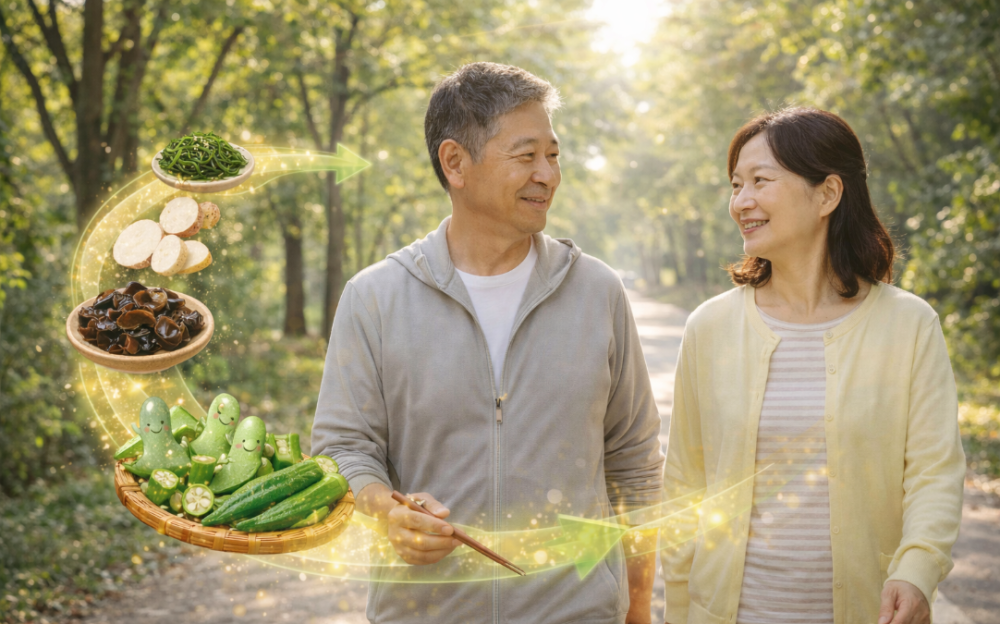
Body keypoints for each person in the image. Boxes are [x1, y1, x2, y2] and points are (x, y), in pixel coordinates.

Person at [312, 62, 664, 624]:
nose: (547, 174)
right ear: (455, 163)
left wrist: (639, 607)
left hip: (578, 612)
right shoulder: (374, 297)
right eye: (526, 156)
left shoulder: (597, 291)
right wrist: (387, 511)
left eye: (553, 155)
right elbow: (342, 448)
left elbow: (635, 464)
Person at [660, 107, 965, 624]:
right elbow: (684, 487)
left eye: (760, 181)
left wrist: (917, 570)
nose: (741, 201)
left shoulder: (909, 324)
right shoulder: (710, 327)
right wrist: (679, 608)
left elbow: (934, 472)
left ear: (827, 194)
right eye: (736, 185)